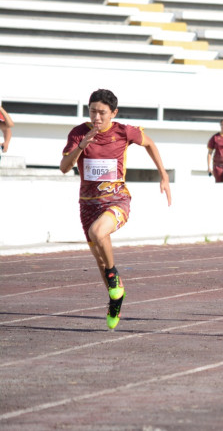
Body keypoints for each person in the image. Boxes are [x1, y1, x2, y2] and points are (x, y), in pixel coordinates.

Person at [59, 89, 171, 330]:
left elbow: (150, 143)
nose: (96, 117)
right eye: (92, 112)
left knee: (98, 232)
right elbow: (64, 167)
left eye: (102, 113)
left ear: (113, 113)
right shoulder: (78, 133)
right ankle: (115, 298)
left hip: (117, 200)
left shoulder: (123, 131)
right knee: (99, 259)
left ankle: (113, 275)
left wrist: (163, 175)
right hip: (88, 204)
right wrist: (81, 146)